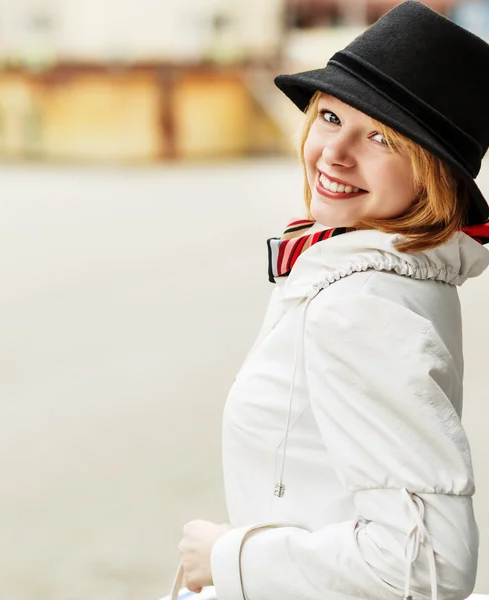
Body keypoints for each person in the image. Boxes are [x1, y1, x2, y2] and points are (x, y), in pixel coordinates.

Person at [171, 1, 489, 599]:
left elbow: (430, 567)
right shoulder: (387, 276)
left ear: (434, 174)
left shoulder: (362, 307)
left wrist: (227, 557)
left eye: (380, 138)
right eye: (329, 117)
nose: (335, 154)